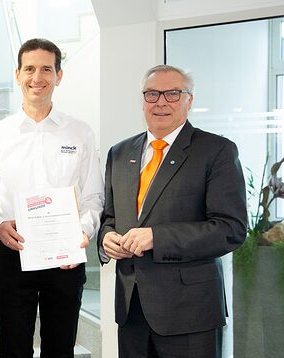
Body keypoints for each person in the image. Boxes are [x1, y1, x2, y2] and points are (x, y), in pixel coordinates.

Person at [98, 64, 247, 357]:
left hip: (189, 313)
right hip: (131, 311)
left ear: (189, 100)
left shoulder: (216, 151)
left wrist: (157, 237)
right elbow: (110, 218)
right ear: (143, 101)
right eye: (152, 94)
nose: (161, 102)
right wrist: (106, 239)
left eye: (172, 93)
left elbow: (231, 229)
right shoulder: (120, 153)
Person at [0, 38, 104, 357]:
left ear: (59, 76)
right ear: (17, 74)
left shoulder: (80, 133)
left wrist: (83, 231)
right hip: (13, 252)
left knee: (60, 349)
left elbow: (93, 196)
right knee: (13, 349)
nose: (38, 77)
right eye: (30, 69)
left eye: (46, 69)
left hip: (65, 257)